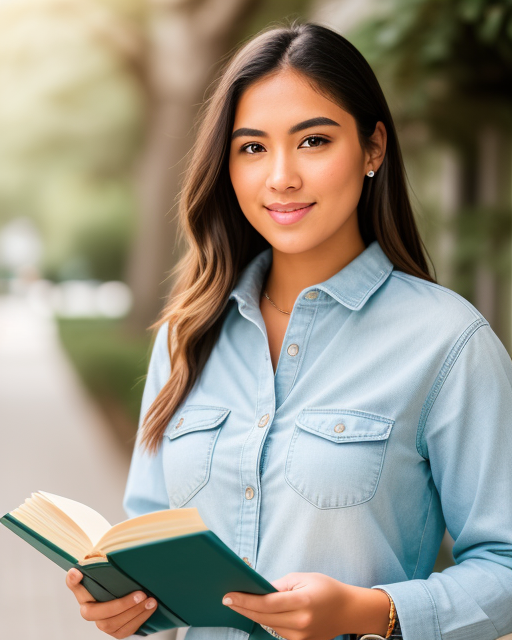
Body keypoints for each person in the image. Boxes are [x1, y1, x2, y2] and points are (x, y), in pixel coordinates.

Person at [65, 19, 512, 640]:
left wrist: (369, 612)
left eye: (313, 141)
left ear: (373, 148)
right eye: (252, 148)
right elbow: (148, 537)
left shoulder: (449, 343)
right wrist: (126, 610)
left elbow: (506, 567)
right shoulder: (186, 333)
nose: (280, 177)